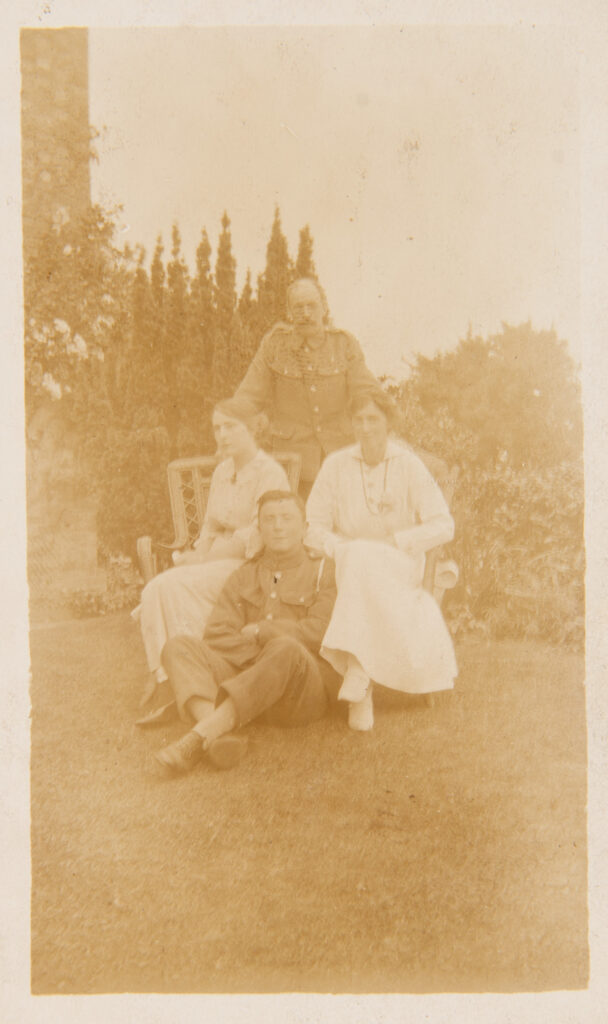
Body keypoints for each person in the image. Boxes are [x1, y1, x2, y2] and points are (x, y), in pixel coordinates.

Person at [153, 490, 340, 773]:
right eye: (269, 520)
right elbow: (216, 633)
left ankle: (198, 737)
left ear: (305, 528)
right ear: (259, 529)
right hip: (249, 687)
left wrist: (262, 632)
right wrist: (261, 665)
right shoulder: (245, 574)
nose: (278, 526)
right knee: (178, 646)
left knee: (286, 647)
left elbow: (319, 632)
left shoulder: (323, 571)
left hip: (298, 694)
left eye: (287, 518)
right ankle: (218, 735)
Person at [305, 389, 458, 732]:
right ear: (350, 424)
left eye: (373, 418)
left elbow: (443, 524)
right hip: (347, 564)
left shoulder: (407, 464)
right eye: (358, 419)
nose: (365, 427)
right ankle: (360, 679)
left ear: (389, 422)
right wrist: (339, 548)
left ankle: (359, 679)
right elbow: (313, 527)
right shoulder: (336, 465)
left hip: (399, 565)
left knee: (362, 555)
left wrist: (398, 540)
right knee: (358, 555)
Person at [134, 397, 290, 714]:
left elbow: (256, 536)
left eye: (230, 427)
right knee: (162, 586)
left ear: (251, 429)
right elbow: (209, 527)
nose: (222, 435)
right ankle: (169, 677)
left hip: (253, 565)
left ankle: (185, 677)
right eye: (217, 428)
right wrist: (195, 555)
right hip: (219, 560)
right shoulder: (222, 471)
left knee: (169, 587)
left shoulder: (269, 473)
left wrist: (202, 561)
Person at [232, 277, 378, 492]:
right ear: (289, 313)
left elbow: (368, 393)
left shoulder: (343, 345)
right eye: (298, 308)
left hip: (341, 459)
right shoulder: (275, 345)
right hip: (292, 467)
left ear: (324, 308)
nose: (306, 314)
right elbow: (247, 398)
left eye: (312, 306)